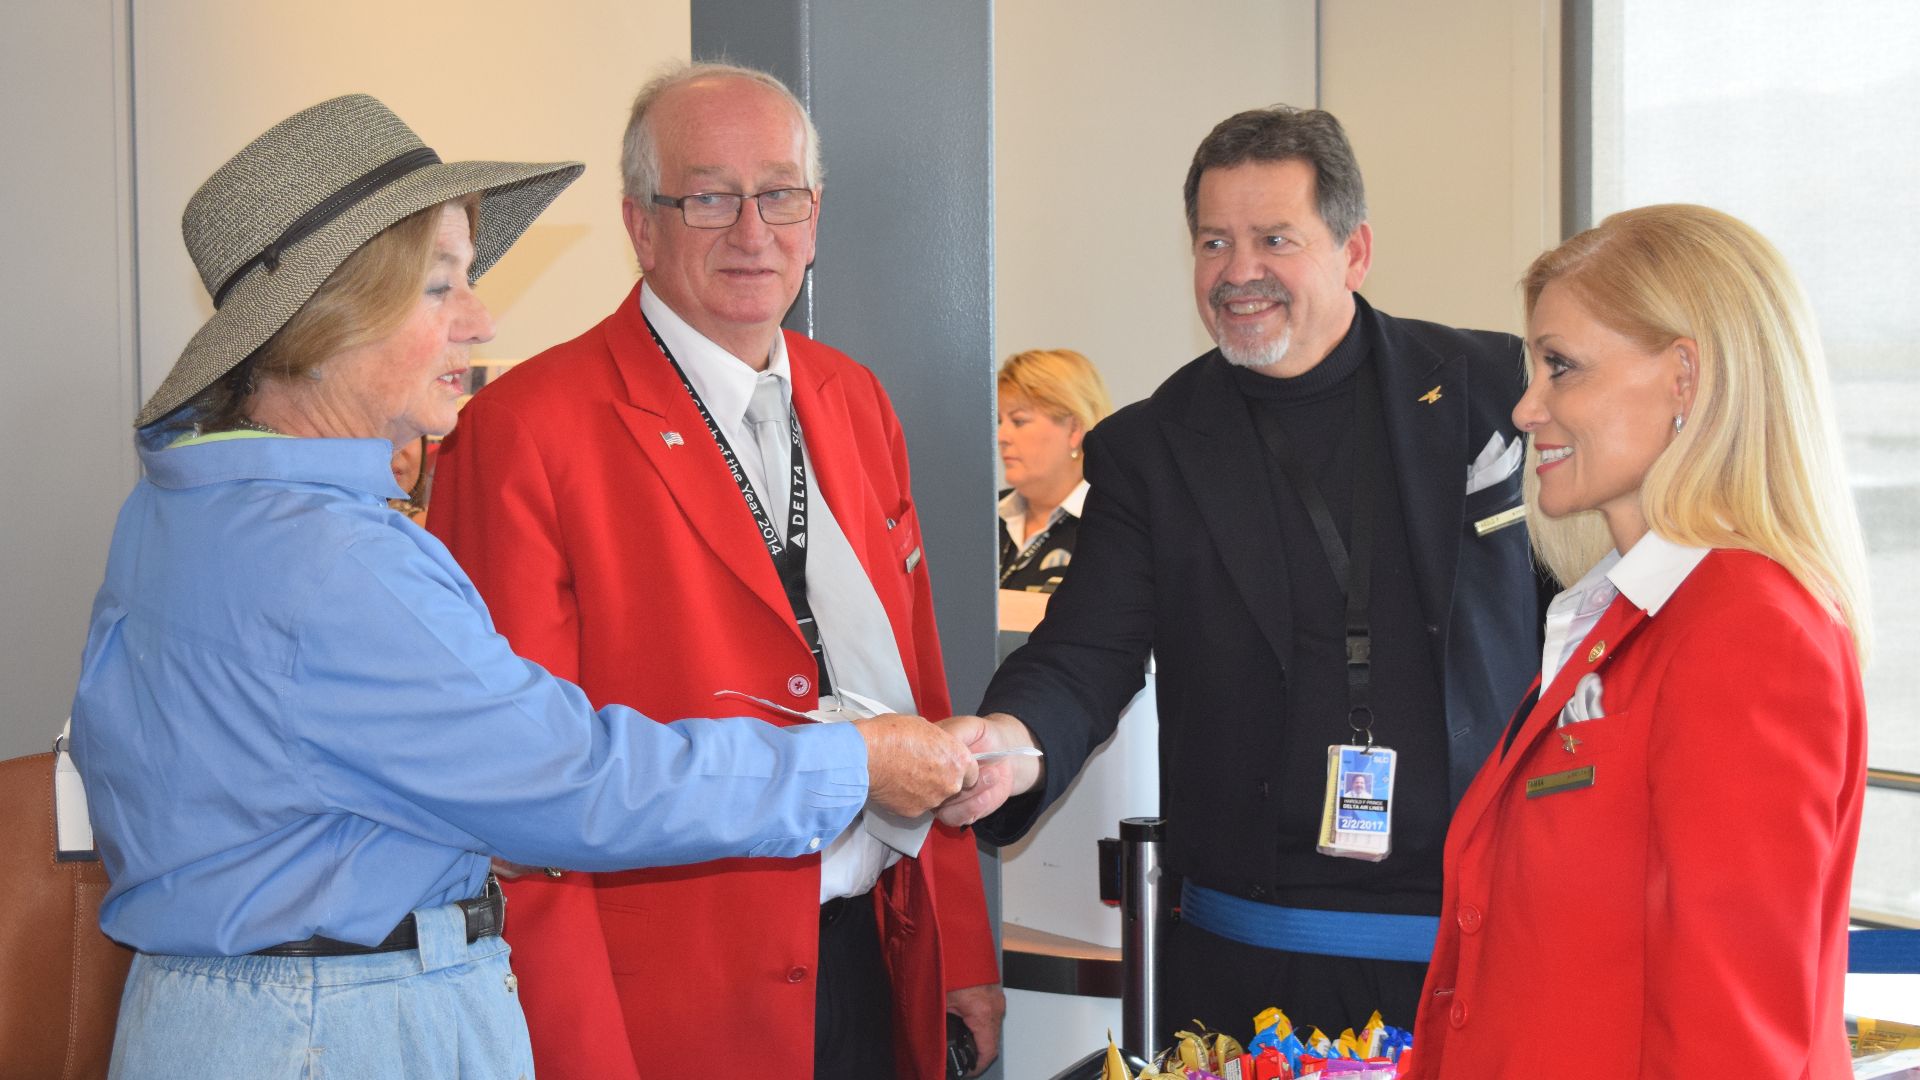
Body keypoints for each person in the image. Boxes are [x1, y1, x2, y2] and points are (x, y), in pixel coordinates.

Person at [68, 94, 974, 1080]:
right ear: (330, 316)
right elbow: (573, 782)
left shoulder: (182, 512)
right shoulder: (334, 557)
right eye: (439, 287)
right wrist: (848, 766)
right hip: (338, 1029)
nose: (480, 319)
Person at [428, 63, 1003, 1079]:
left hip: (868, 962)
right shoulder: (525, 433)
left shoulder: (854, 400)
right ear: (638, 225)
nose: (753, 231)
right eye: (708, 197)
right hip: (667, 1005)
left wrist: (959, 942)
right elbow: (521, 786)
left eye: (780, 194)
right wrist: (573, 1051)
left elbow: (913, 678)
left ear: (815, 217)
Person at [940, 105, 1545, 1037]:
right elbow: (1082, 654)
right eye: (1213, 241)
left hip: (1484, 948)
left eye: (1275, 238)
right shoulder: (1152, 447)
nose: (1238, 272)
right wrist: (1008, 748)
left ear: (1355, 250)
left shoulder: (1489, 392)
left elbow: (1586, 614)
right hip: (1249, 969)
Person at [1403, 204, 1869, 1079]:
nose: (1525, 407)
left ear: (1685, 378)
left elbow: (1732, 1035)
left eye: (1561, 368)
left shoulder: (1746, 627)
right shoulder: (1609, 620)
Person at [997, 348, 1113, 593]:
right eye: (999, 421)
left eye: (1018, 421)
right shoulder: (984, 519)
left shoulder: (1111, 523)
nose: (1001, 436)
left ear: (1074, 430)